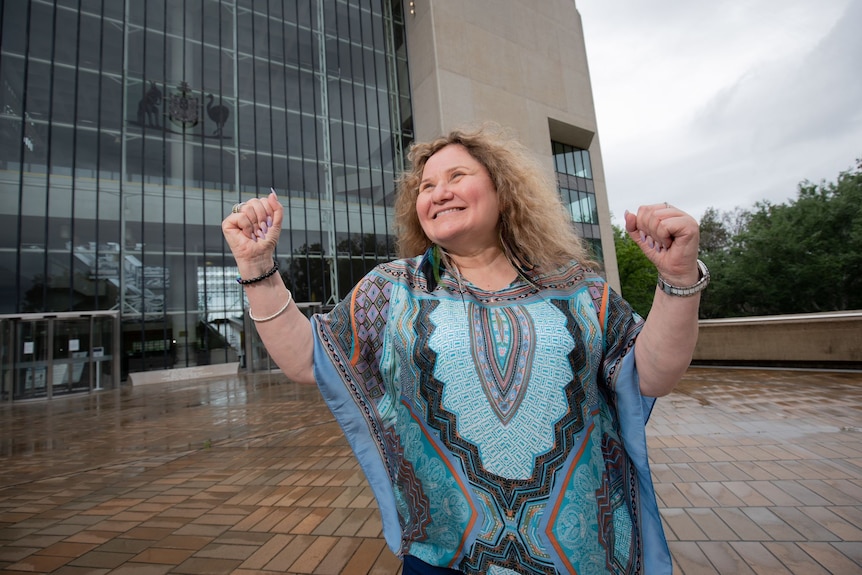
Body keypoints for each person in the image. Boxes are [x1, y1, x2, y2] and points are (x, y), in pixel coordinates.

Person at [222, 124, 707, 575]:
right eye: (426, 187)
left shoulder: (578, 287)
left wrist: (679, 279)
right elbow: (309, 360)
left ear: (502, 190)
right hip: (444, 556)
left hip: (581, 557)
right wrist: (257, 265)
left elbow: (652, 375)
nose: (438, 192)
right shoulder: (393, 289)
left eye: (457, 176)